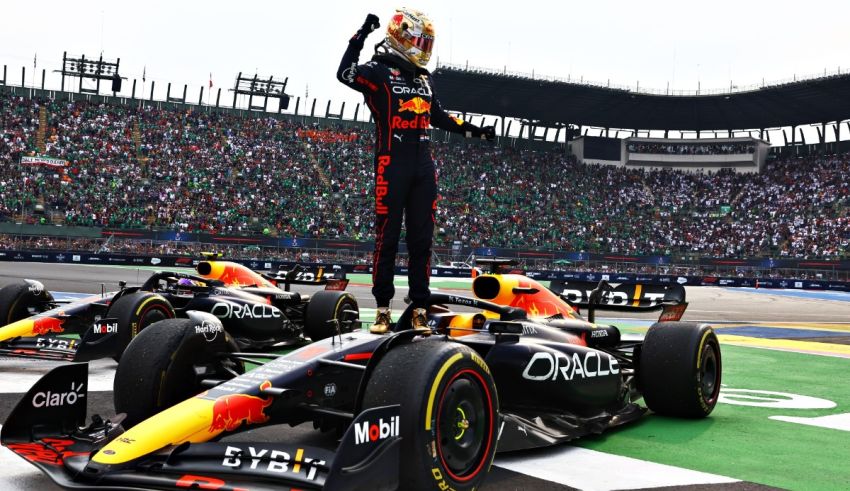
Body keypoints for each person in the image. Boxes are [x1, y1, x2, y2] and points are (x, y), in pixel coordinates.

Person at [337, 8, 495, 334]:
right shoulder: (378, 71)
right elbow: (345, 74)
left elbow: (440, 117)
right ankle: (382, 311)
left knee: (422, 242)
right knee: (387, 239)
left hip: (424, 166)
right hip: (391, 163)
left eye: (427, 42)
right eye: (419, 41)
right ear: (401, 36)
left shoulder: (425, 78)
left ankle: (419, 310)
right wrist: (361, 34)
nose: (423, 48)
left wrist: (475, 131)